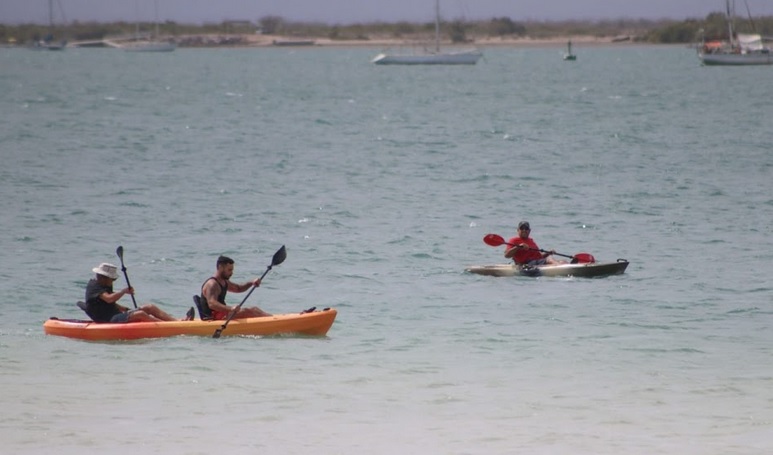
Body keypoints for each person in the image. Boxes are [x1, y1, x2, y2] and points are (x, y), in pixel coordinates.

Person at [85, 263, 194, 323]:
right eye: (112, 279)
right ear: (103, 277)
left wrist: (126, 309)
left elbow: (110, 303)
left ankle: (176, 322)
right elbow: (109, 299)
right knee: (140, 314)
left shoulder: (104, 284)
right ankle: (166, 326)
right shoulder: (94, 287)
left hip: (116, 314)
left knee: (149, 307)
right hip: (107, 319)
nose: (113, 281)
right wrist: (124, 291)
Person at [200, 255, 271, 320]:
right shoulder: (212, 284)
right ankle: (272, 321)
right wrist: (231, 308)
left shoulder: (224, 281)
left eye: (232, 270)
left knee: (254, 309)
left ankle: (273, 319)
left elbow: (238, 288)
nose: (232, 273)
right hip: (214, 317)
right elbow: (212, 304)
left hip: (222, 314)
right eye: (229, 270)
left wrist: (251, 283)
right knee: (248, 312)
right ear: (220, 267)